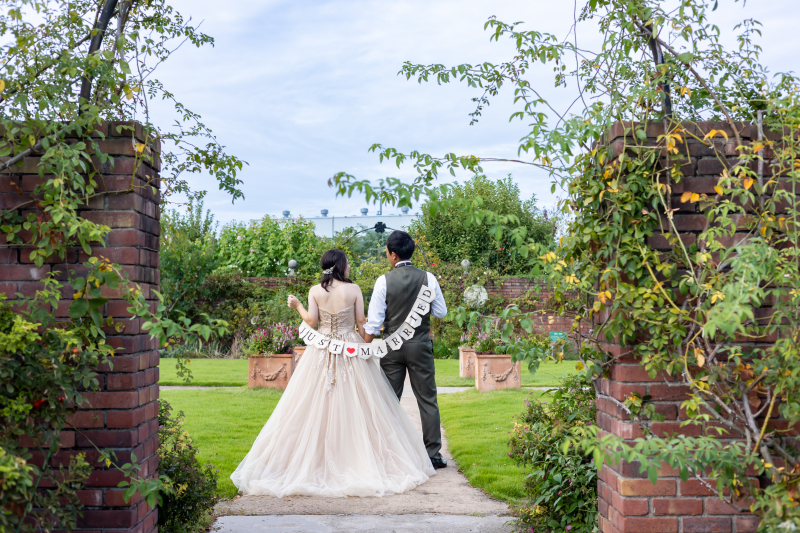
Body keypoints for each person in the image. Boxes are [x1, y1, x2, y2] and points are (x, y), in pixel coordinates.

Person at [230, 249, 434, 498]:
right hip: (350, 346)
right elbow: (362, 322)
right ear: (340, 266)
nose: (349, 267)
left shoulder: (315, 291)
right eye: (347, 263)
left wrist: (297, 307)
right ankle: (359, 457)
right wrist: (367, 341)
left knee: (314, 401)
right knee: (361, 401)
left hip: (322, 348)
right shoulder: (354, 289)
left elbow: (311, 322)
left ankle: (317, 458)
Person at [363, 230, 449, 469]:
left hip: (392, 347)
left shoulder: (383, 281)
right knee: (427, 400)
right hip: (420, 346)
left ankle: (388, 453)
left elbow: (375, 320)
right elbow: (441, 312)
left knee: (390, 399)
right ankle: (433, 454)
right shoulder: (428, 278)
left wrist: (364, 345)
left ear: (392, 254)